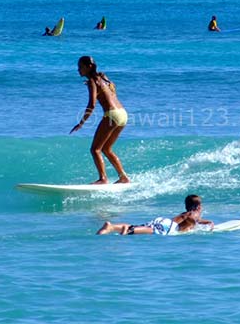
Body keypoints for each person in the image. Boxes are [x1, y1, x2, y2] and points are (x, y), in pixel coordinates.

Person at [70, 56, 129, 184]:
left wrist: (81, 123)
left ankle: (103, 178)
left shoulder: (92, 81)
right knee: (106, 149)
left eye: (80, 67)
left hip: (112, 114)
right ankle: (123, 177)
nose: (78, 70)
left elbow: (91, 105)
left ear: (88, 67)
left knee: (95, 149)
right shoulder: (103, 77)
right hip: (123, 113)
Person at [97, 194, 214, 235]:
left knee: (145, 227)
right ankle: (127, 231)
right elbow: (193, 218)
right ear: (198, 207)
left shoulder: (187, 213)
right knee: (151, 231)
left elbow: (188, 218)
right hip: (168, 226)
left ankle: (111, 227)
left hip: (165, 221)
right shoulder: (193, 213)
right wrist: (208, 222)